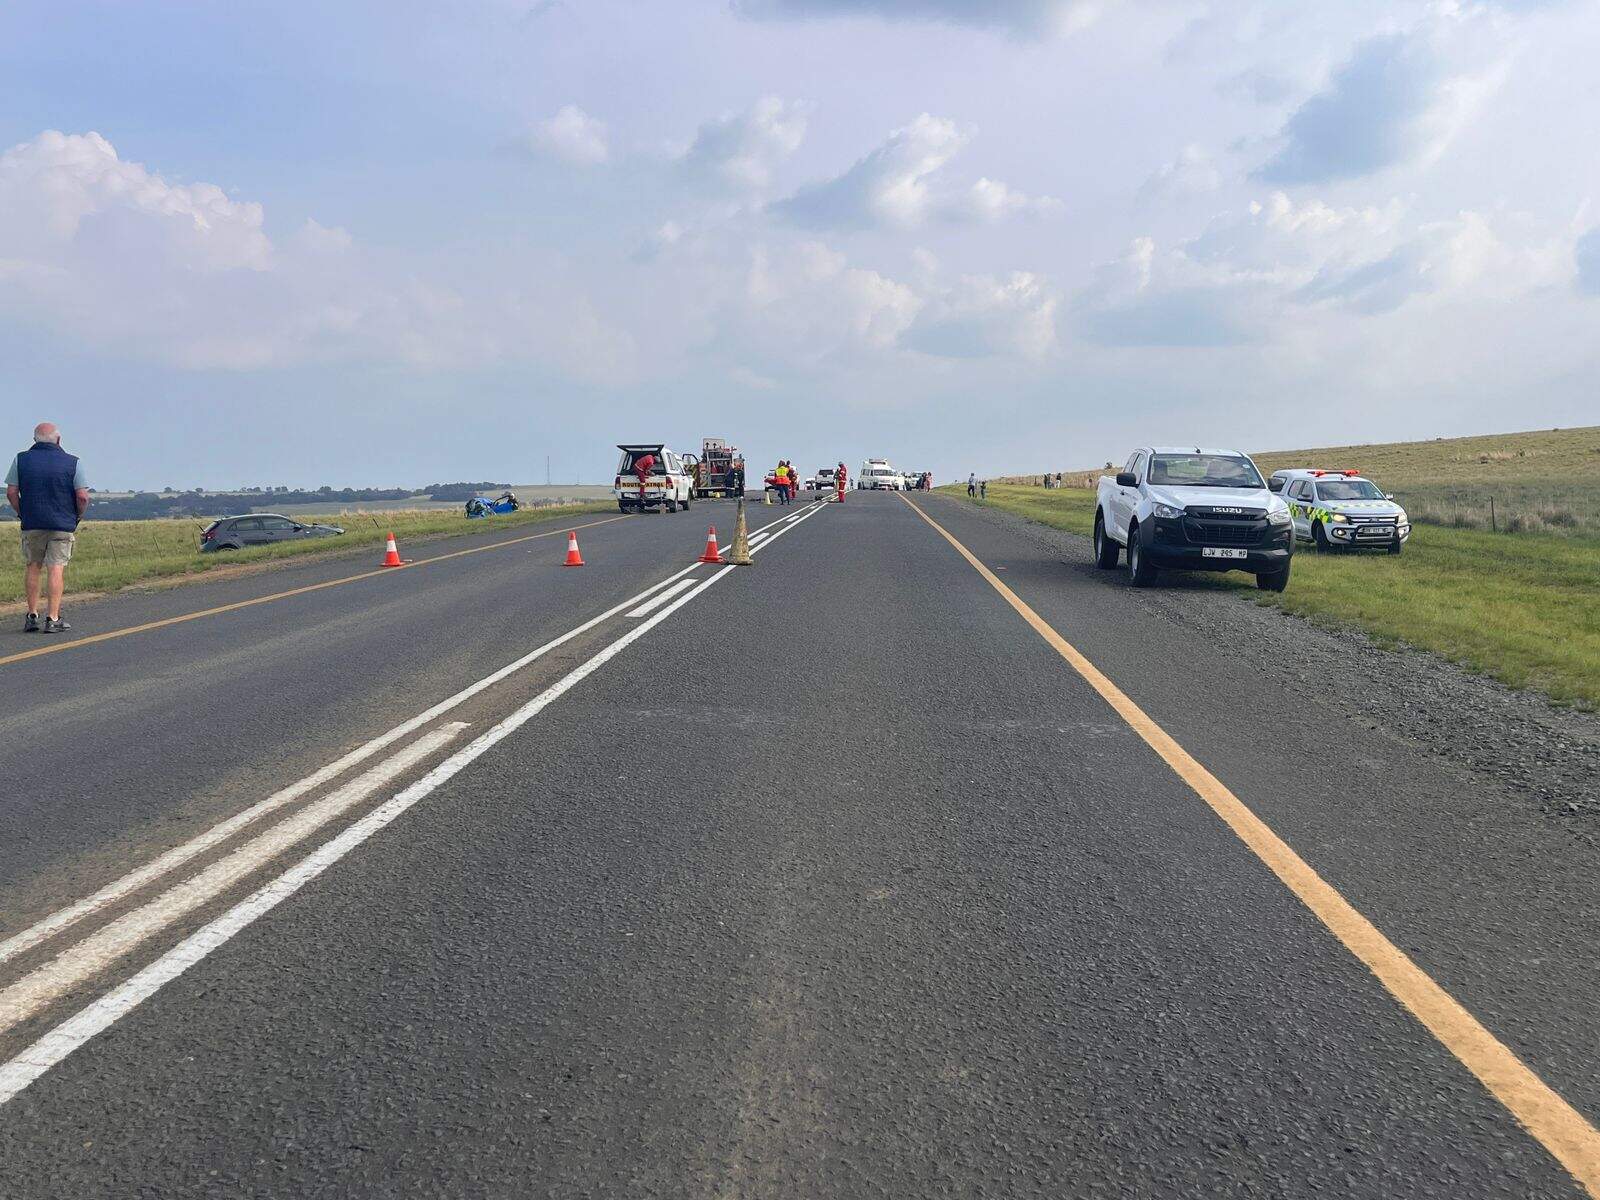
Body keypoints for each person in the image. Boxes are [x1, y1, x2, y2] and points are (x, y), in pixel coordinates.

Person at [7, 422, 89, 634]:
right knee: (56, 568)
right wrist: (77, 515)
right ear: (59, 440)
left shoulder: (21, 460)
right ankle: (52, 618)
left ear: (34, 440)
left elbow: (11, 492)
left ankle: (32, 615)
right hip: (62, 523)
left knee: (34, 565)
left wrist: (21, 512)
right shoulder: (73, 463)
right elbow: (82, 496)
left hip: (32, 521)